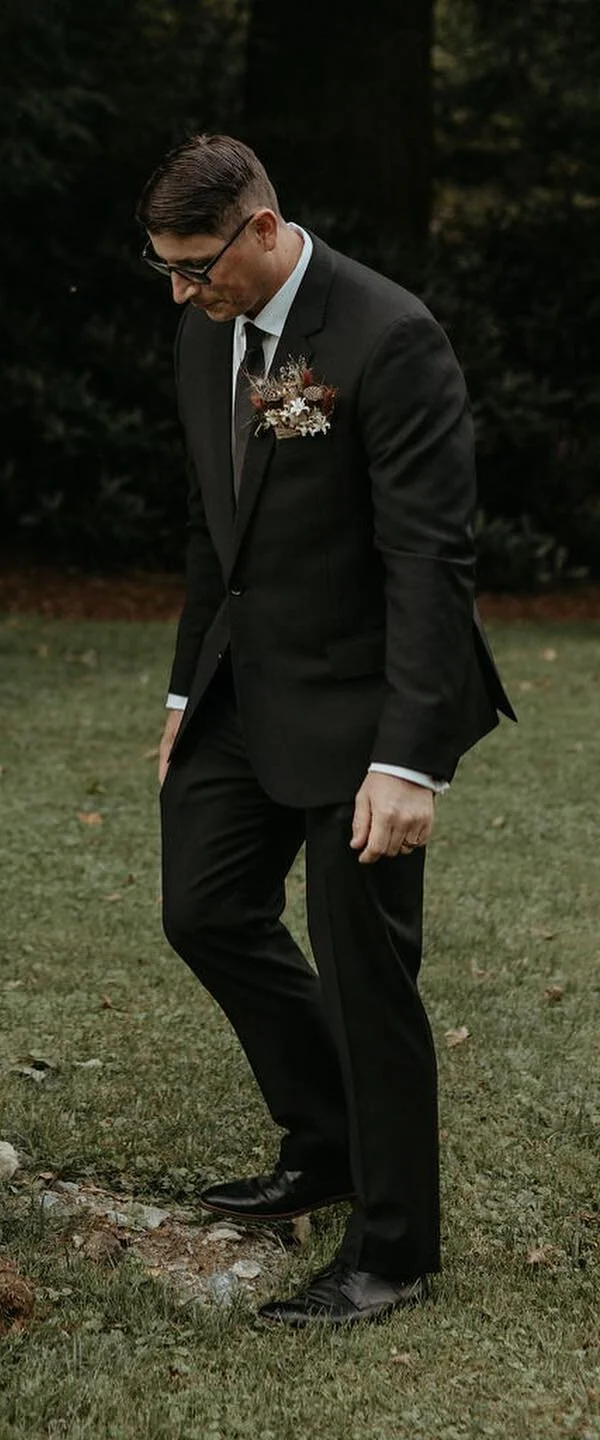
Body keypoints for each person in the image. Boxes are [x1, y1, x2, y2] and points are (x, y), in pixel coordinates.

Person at [135, 136, 514, 1325]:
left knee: (367, 980)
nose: (185, 293)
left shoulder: (388, 336)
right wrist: (185, 693)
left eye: (199, 267)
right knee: (203, 909)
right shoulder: (204, 334)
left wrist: (408, 760)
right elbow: (215, 527)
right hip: (242, 695)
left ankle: (390, 1249)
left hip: (364, 710)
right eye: (166, 272)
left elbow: (430, 561)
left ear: (261, 227)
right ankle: (326, 1144)